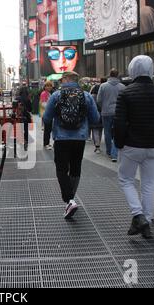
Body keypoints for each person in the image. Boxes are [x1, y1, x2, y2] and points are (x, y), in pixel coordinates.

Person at [114, 55, 154, 239]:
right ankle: (145, 220)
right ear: (151, 69)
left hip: (132, 145)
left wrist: (119, 143)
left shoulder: (126, 93)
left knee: (126, 179)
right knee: (149, 183)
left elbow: (120, 122)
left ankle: (138, 215)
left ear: (132, 69)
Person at [43, 71, 100, 220]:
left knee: (61, 169)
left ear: (66, 79)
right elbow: (95, 118)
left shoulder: (56, 95)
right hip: (80, 138)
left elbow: (47, 117)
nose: (61, 82)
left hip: (61, 138)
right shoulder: (86, 95)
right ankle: (71, 199)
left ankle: (69, 200)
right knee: (75, 167)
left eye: (62, 79)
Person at [97, 69, 126, 163]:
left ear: (109, 75)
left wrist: (103, 107)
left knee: (107, 132)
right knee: (117, 132)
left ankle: (109, 151)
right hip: (118, 112)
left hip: (106, 112)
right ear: (118, 75)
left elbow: (99, 100)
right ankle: (115, 152)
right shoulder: (122, 87)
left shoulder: (103, 86)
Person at [90, 78, 107, 154]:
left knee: (95, 129)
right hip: (104, 111)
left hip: (95, 112)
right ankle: (98, 144)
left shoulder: (94, 91)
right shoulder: (105, 89)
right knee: (100, 129)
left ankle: (97, 146)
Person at [40, 81, 54, 150]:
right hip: (46, 113)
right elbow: (43, 104)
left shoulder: (48, 93)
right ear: (44, 87)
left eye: (50, 86)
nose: (49, 87)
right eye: (47, 86)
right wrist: (50, 107)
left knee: (49, 129)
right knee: (47, 129)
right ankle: (46, 144)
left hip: (49, 113)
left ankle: (47, 143)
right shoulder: (44, 93)